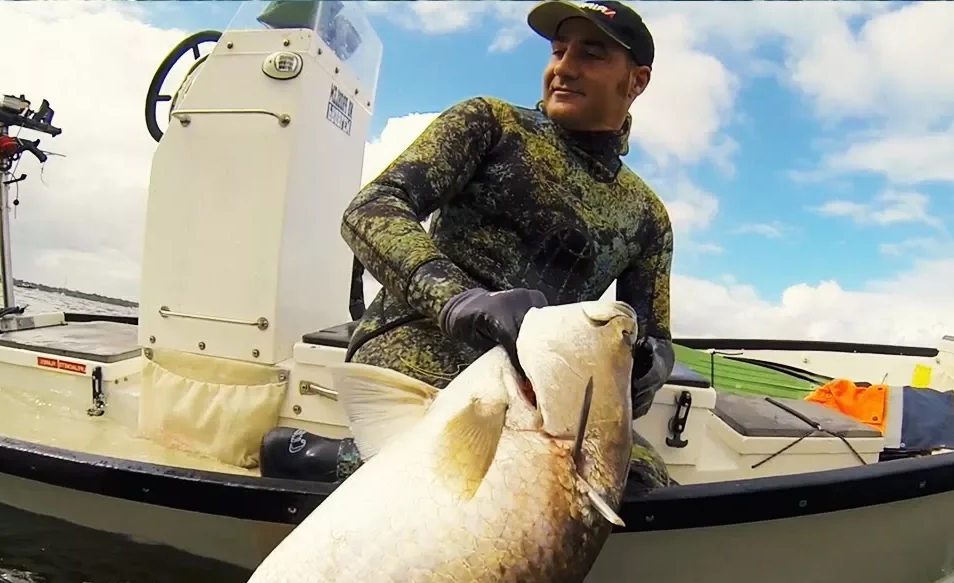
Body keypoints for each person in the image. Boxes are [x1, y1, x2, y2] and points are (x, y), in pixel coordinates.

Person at [261, 0, 678, 494]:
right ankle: (321, 458)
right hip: (423, 339)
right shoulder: (492, 122)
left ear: (636, 81)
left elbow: (657, 336)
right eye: (559, 51)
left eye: (591, 55)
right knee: (497, 461)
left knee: (639, 482)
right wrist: (463, 301)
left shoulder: (647, 215)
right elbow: (372, 208)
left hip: (538, 381)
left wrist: (650, 366)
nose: (563, 68)